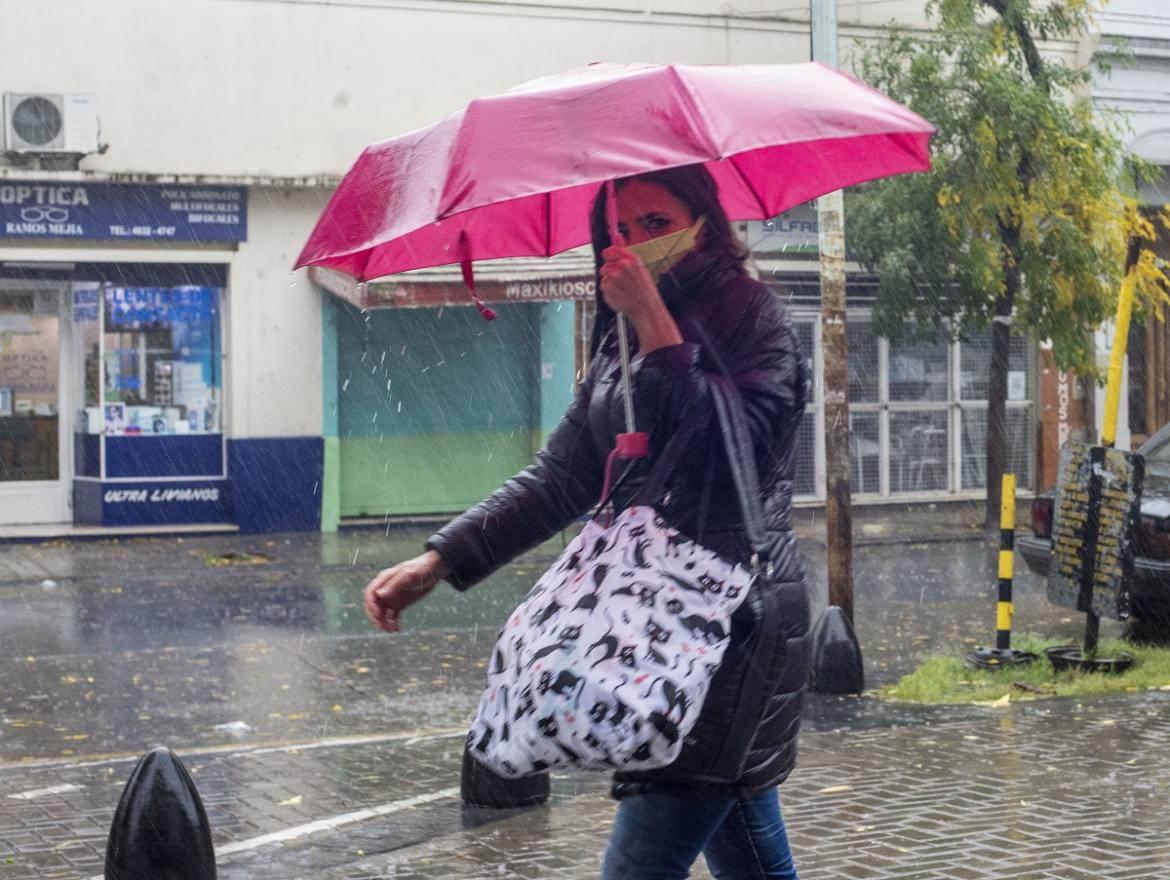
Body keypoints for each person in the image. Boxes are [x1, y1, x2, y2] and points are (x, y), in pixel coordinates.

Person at [364, 163, 810, 880]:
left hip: (724, 628)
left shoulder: (751, 314)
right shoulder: (617, 337)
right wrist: (441, 560)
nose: (636, 243)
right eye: (619, 231)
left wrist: (656, 327)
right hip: (649, 626)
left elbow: (738, 456)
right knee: (751, 856)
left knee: (640, 865)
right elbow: (562, 475)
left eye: (656, 225)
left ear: (704, 221)